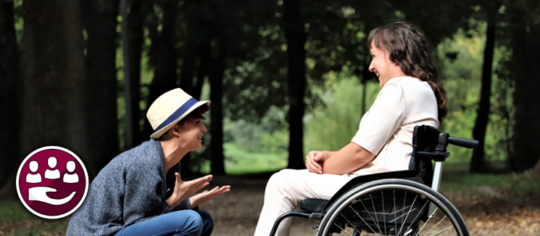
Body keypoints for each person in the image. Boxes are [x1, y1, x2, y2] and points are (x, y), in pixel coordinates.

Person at [254, 22, 448, 236]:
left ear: (394, 54)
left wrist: (322, 168)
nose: (371, 66)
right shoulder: (423, 90)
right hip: (397, 188)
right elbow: (379, 152)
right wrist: (328, 156)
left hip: (377, 190)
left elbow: (359, 154)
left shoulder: (399, 88)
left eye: (374, 56)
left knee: (282, 182)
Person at [67, 88, 231, 236]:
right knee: (191, 221)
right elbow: (138, 222)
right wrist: (176, 200)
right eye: (197, 123)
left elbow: (154, 215)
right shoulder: (144, 163)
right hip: (102, 233)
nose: (204, 129)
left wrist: (189, 201)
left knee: (204, 220)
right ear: (175, 129)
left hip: (120, 230)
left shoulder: (169, 162)